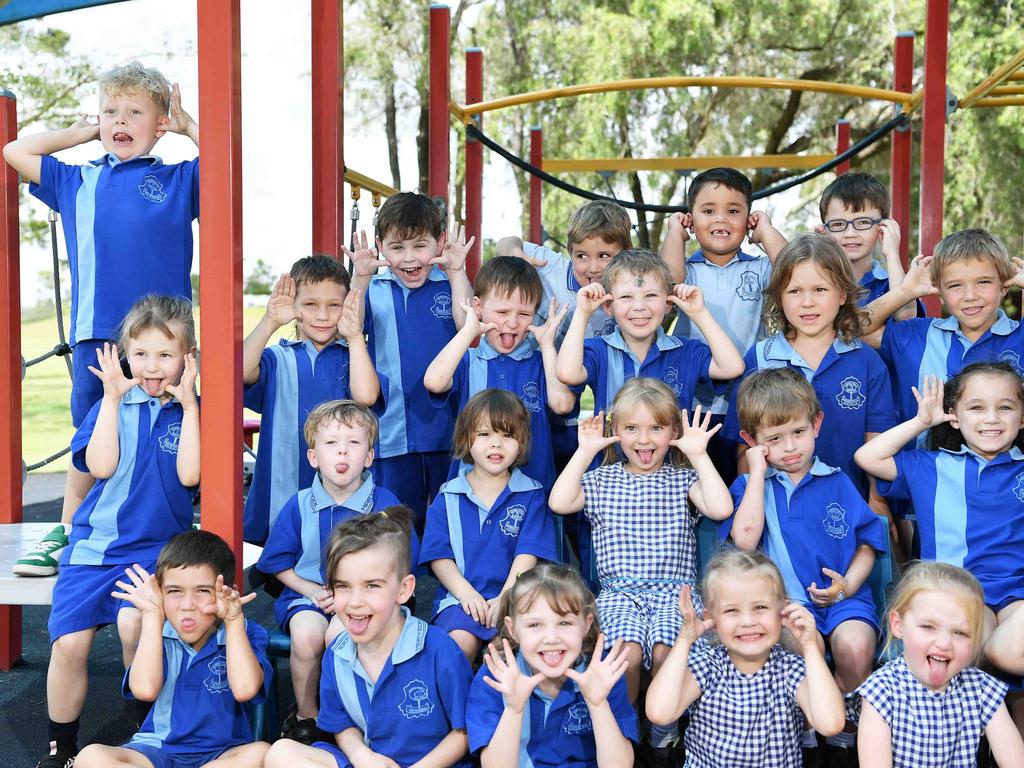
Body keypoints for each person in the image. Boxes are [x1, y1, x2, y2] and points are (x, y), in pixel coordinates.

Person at [4, 61, 200, 578]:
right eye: (111, 110)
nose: (120, 119)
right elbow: (14, 151)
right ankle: (69, 532)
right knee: (91, 438)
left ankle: (168, 530)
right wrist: (81, 132)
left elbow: (231, 163)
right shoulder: (77, 180)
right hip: (100, 333)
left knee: (169, 428)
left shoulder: (178, 178)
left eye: (135, 111)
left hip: (165, 339)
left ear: (160, 125)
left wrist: (189, 126)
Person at [36, 295, 200, 768]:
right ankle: (60, 745)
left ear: (187, 358)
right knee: (69, 643)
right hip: (96, 548)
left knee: (136, 624)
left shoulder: (192, 412)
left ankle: (144, 728)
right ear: (125, 354)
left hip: (155, 551)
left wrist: (189, 406)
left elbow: (191, 476)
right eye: (141, 354)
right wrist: (110, 398)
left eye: (166, 355)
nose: (152, 367)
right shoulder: (112, 406)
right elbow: (100, 464)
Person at [548, 377, 734, 758]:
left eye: (656, 428)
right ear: (615, 431)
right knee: (624, 654)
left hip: (675, 593)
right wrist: (584, 452)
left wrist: (699, 455)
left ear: (673, 433)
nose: (643, 440)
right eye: (631, 428)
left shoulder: (684, 479)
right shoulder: (602, 479)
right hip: (619, 595)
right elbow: (559, 502)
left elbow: (721, 508)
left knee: (669, 651)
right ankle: (624, 730)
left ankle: (663, 733)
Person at [726, 367, 888, 760]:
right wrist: (757, 471)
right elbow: (745, 539)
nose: (790, 447)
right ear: (752, 441)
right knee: (802, 645)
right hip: (784, 606)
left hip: (844, 598)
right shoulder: (751, 488)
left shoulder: (837, 481)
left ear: (816, 424)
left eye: (798, 432)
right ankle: (805, 730)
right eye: (774, 439)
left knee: (854, 646)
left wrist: (847, 584)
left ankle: (848, 732)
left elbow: (868, 544)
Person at [263, 508, 474, 768]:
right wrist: (363, 756)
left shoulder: (439, 649)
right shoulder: (337, 653)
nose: (355, 602)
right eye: (343, 586)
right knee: (281, 753)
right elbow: (341, 725)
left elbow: (464, 732)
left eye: (372, 586)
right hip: (372, 760)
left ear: (404, 589)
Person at [854, 365, 1024, 681]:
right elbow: (868, 457)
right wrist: (920, 422)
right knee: (972, 650)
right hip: (958, 591)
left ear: (1022, 417)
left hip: (1018, 593)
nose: (991, 418)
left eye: (1005, 407)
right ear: (954, 417)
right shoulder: (930, 467)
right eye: (977, 407)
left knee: (1008, 652)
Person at [255, 401, 408, 744]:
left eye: (353, 443)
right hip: (310, 597)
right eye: (331, 443)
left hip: (364, 598)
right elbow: (277, 562)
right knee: (308, 635)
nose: (342, 451)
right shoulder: (299, 504)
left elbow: (399, 564)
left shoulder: (385, 505)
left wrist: (351, 596)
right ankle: (307, 717)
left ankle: (354, 716)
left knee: (342, 635)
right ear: (313, 457)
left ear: (369, 457)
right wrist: (310, 591)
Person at [722, 234, 897, 505]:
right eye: (794, 291)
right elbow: (745, 448)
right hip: (777, 510)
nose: (807, 302)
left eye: (820, 290)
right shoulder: (758, 359)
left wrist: (877, 504)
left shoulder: (866, 362)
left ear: (842, 294)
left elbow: (878, 441)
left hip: (849, 509)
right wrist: (749, 505)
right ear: (779, 297)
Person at [74, 530, 272, 767]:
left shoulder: (244, 633)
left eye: (202, 591)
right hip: (156, 750)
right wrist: (151, 615)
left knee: (262, 753)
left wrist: (233, 622)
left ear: (226, 591)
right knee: (90, 757)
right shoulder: (157, 632)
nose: (187, 606)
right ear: (160, 593)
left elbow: (245, 690)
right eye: (174, 591)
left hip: (222, 754)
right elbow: (144, 690)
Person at [344, 193, 475, 527]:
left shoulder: (448, 283)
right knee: (396, 521)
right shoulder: (376, 288)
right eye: (397, 248)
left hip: (447, 424)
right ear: (380, 247)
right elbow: (350, 325)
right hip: (392, 427)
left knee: (451, 516)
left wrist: (458, 269)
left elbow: (468, 325)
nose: (409, 258)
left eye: (420, 246)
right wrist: (360, 277)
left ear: (440, 243)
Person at [646, 550, 845, 767]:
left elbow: (831, 724)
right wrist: (685, 640)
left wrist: (809, 648)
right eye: (732, 610)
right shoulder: (708, 665)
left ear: (783, 612)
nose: (748, 621)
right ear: (712, 619)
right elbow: (659, 713)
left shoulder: (789, 668)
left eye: (760, 607)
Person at [242, 255, 381, 543]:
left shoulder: (353, 358)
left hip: (342, 494)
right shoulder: (278, 358)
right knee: (278, 561)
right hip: (279, 491)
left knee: (341, 551)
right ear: (293, 306)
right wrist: (269, 322)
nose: (322, 315)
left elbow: (366, 396)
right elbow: (240, 371)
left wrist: (355, 337)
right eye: (310, 305)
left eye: (334, 305)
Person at [659, 167, 787, 483]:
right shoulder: (687, 270)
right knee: (693, 480)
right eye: (708, 211)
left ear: (748, 220)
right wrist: (674, 232)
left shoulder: (758, 269)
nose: (720, 219)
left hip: (748, 397)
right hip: (694, 400)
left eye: (733, 211)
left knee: (743, 476)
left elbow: (794, 267)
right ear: (691, 218)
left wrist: (767, 230)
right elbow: (666, 280)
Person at [419, 389, 558, 661]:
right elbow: (439, 556)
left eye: (507, 435)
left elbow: (526, 556)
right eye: (484, 434)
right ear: (466, 439)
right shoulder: (449, 495)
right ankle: (460, 703)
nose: (496, 444)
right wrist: (467, 595)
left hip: (519, 598)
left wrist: (506, 597)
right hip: (460, 598)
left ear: (522, 442)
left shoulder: (530, 494)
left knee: (505, 651)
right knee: (458, 646)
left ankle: (502, 703)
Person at [424, 256, 574, 492]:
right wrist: (467, 332)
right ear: (478, 308)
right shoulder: (469, 360)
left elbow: (563, 404)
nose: (512, 323)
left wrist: (547, 346)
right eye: (502, 311)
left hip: (533, 490)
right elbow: (434, 382)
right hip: (472, 491)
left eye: (524, 314)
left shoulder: (541, 362)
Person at [466, 563, 637, 768]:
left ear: (586, 624)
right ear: (512, 629)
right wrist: (514, 710)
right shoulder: (496, 676)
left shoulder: (602, 672)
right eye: (534, 625)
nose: (551, 638)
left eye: (564, 623)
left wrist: (598, 704)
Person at [856, 561, 1024, 767]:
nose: (944, 643)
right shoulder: (882, 691)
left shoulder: (982, 689)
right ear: (898, 625)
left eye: (960, 632)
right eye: (928, 627)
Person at [815, 172, 918, 318]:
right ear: (824, 230)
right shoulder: (814, 282)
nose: (850, 233)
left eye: (863, 222)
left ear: (883, 226)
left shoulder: (892, 283)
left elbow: (906, 319)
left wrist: (892, 255)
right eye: (838, 224)